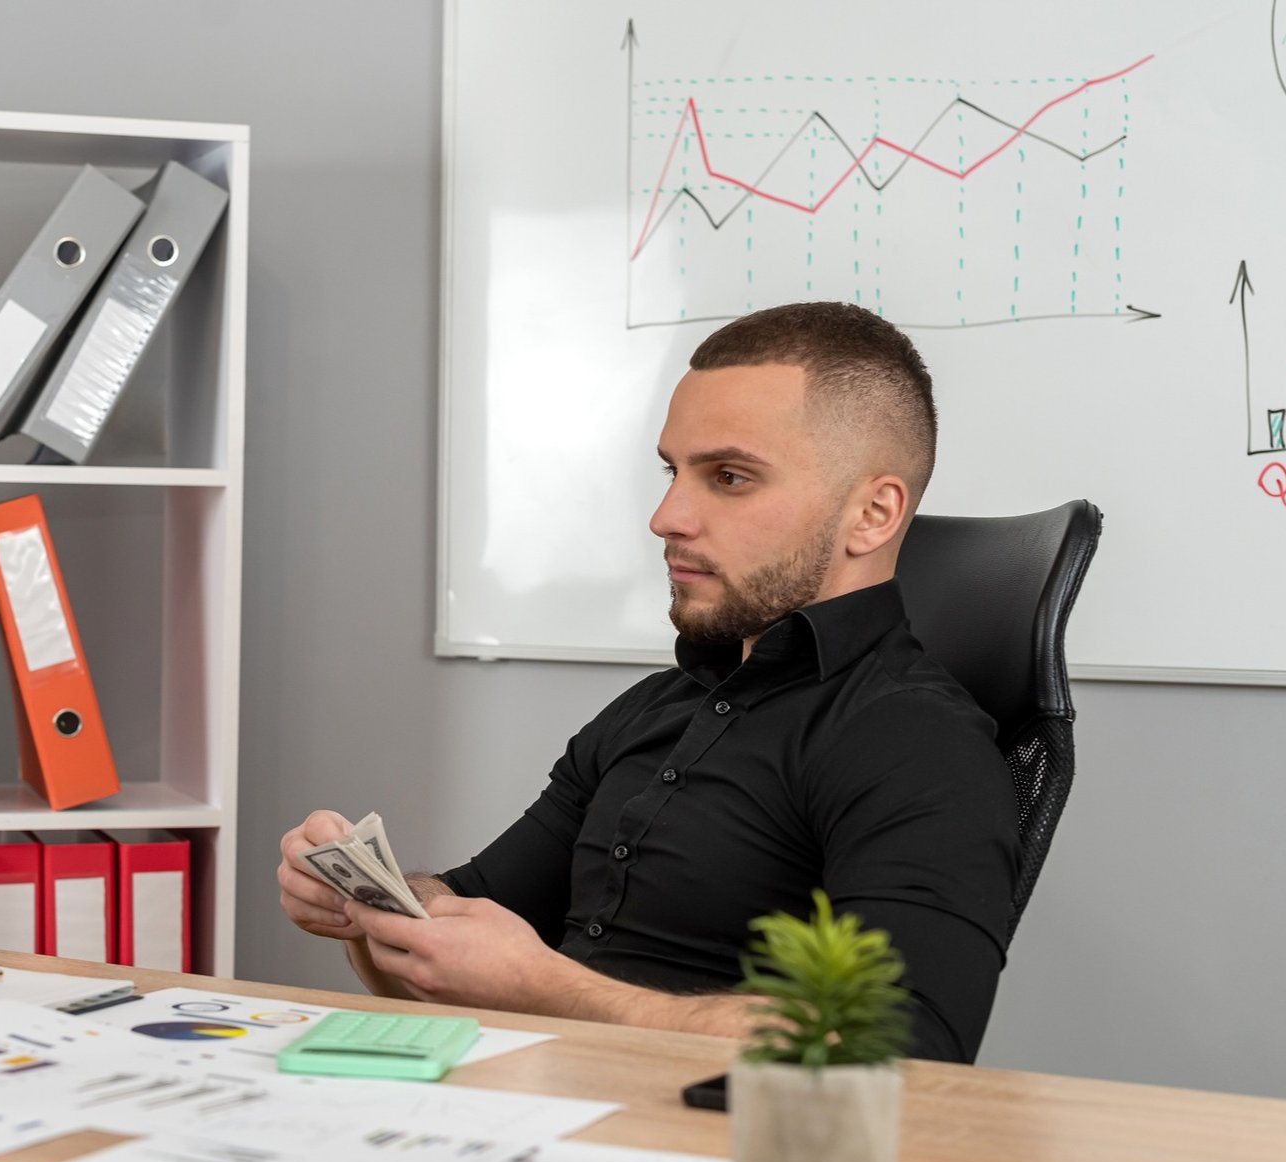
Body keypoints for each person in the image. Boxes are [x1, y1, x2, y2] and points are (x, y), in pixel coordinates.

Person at [278, 302, 1018, 1064]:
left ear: (872, 513)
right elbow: (466, 933)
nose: (667, 516)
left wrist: (545, 990)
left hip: (719, 1154)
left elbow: (903, 1047)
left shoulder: (917, 742)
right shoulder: (655, 709)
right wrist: (369, 907)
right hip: (540, 1120)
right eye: (672, 472)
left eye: (729, 477)